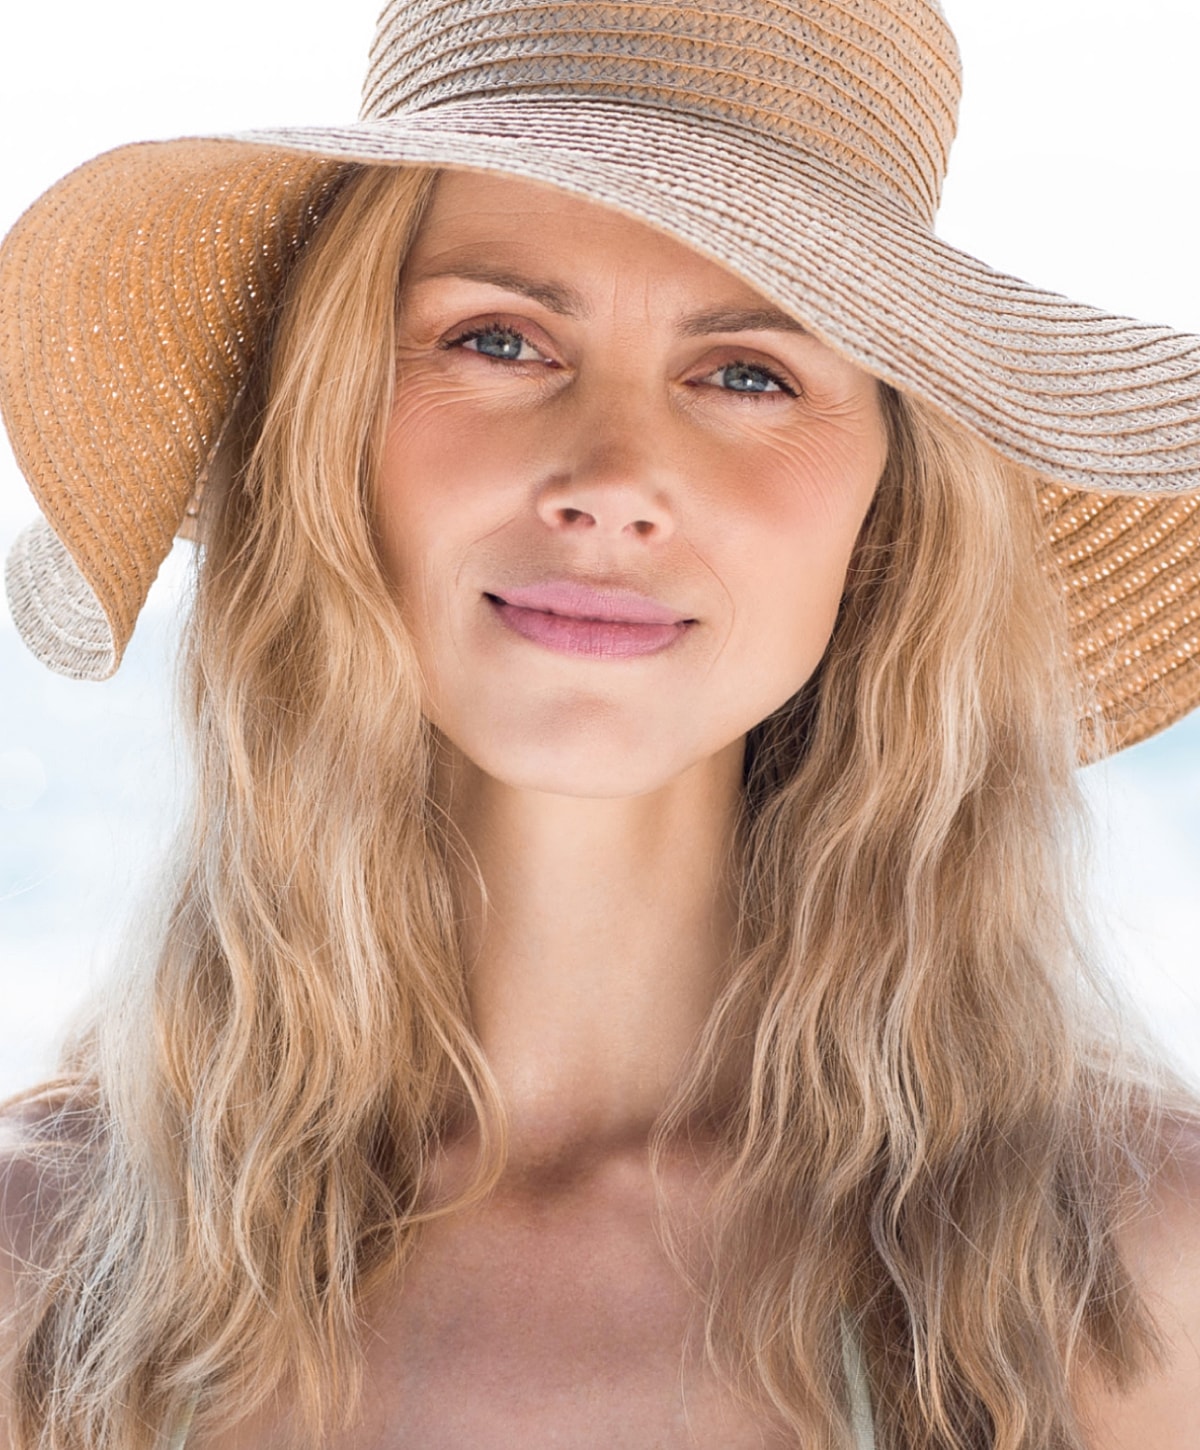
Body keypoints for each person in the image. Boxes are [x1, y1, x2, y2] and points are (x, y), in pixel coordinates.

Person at [2, 1, 1199, 1446]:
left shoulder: (1131, 1276)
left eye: (748, 372)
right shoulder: (46, 1276)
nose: (614, 477)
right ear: (329, 430)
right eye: (499, 339)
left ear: (887, 510)